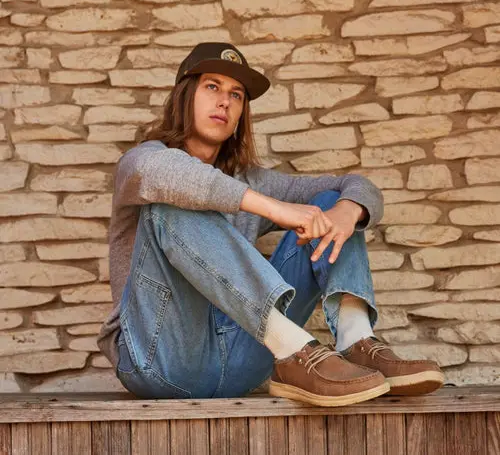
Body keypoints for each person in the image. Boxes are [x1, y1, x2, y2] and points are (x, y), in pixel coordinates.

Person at [97, 42, 444, 406]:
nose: (224, 102)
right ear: (184, 96)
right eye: (212, 86)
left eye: (236, 95)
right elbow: (169, 175)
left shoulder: (250, 180)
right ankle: (295, 348)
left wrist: (348, 210)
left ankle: (355, 339)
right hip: (160, 360)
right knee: (172, 202)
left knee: (330, 202)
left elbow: (356, 185)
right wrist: (277, 210)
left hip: (242, 359)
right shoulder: (142, 161)